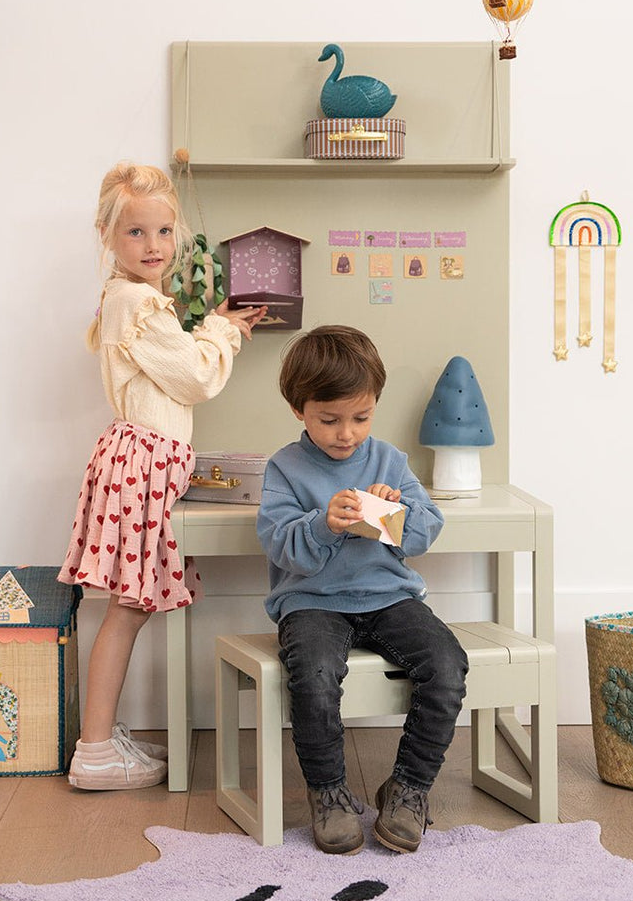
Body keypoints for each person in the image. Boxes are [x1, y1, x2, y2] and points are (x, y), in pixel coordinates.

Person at [59, 163, 265, 790]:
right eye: (136, 233)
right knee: (129, 606)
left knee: (130, 605)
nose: (153, 246)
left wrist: (214, 328)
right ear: (107, 236)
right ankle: (93, 751)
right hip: (144, 461)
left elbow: (178, 369)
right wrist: (224, 329)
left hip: (144, 459)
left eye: (164, 231)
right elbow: (196, 377)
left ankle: (100, 738)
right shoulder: (138, 302)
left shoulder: (136, 300)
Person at [256, 325, 468, 855]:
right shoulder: (284, 467)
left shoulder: (390, 460)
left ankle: (409, 788)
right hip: (312, 602)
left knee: (446, 665)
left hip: (388, 596)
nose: (347, 433)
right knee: (315, 677)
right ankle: (329, 793)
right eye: (329, 419)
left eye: (361, 417)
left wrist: (390, 515)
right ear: (299, 409)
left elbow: (425, 532)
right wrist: (324, 524)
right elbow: (283, 547)